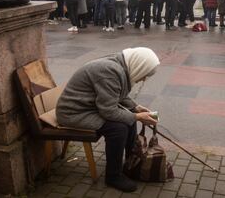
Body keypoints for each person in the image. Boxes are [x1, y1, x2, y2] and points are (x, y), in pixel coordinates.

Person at [56, 47, 160, 192]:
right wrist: (137, 116)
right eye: (145, 74)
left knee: (127, 118)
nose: (143, 79)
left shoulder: (121, 65)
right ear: (139, 65)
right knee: (118, 128)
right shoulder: (110, 71)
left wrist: (135, 108)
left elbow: (118, 95)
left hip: (89, 107)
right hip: (73, 113)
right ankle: (113, 176)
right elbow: (109, 111)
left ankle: (131, 162)